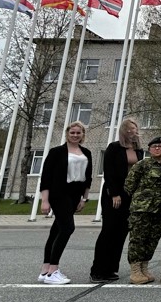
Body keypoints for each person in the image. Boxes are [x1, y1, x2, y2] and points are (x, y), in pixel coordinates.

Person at [37, 122, 92, 285]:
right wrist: (45, 201)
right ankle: (54, 271)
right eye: (72, 132)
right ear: (67, 133)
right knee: (68, 228)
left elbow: (88, 177)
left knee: (56, 230)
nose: (75, 135)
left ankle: (45, 269)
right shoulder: (57, 152)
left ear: (83, 134)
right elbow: (46, 177)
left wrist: (84, 198)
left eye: (78, 133)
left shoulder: (86, 152)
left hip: (75, 195)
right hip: (59, 194)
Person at [90, 118, 144, 283]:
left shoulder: (139, 150)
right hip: (114, 195)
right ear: (122, 131)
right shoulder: (114, 148)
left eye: (133, 129)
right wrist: (114, 193)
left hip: (130, 195)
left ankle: (111, 268)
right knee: (109, 231)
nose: (131, 132)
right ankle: (97, 270)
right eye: (128, 129)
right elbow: (109, 172)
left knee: (122, 233)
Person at [125, 136, 161, 285]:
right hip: (142, 209)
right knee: (138, 239)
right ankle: (135, 270)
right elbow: (129, 186)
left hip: (160, 210)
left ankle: (144, 266)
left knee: (152, 240)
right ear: (149, 149)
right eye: (154, 146)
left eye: (160, 146)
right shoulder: (142, 165)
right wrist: (140, 200)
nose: (157, 148)